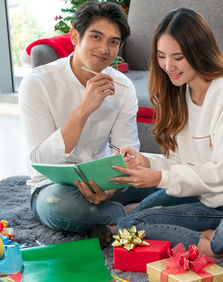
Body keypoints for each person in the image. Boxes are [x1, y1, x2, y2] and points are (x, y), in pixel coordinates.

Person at [111, 7, 223, 262]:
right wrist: (147, 162)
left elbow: (222, 173)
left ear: (199, 52)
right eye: (162, 56)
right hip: (212, 203)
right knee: (129, 225)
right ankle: (220, 247)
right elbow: (182, 163)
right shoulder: (179, 95)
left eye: (178, 57)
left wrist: (157, 177)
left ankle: (214, 239)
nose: (168, 66)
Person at [19, 1, 158, 248]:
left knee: (172, 179)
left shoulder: (122, 87)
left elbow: (126, 152)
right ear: (75, 36)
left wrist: (110, 191)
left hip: (108, 182)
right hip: (56, 188)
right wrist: (85, 108)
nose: (104, 49)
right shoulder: (38, 83)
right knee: (58, 206)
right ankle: (146, 216)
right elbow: (39, 159)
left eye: (113, 42)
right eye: (96, 36)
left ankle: (122, 214)